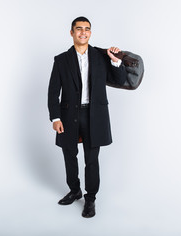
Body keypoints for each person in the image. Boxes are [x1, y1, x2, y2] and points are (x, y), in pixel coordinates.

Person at [47, 16, 127, 218]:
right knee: (69, 155)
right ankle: (74, 190)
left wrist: (116, 60)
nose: (83, 32)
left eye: (87, 29)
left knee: (92, 159)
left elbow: (120, 79)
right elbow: (52, 91)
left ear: (90, 32)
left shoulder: (101, 56)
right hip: (68, 116)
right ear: (72, 32)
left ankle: (90, 198)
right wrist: (55, 118)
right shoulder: (61, 60)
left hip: (94, 115)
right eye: (79, 29)